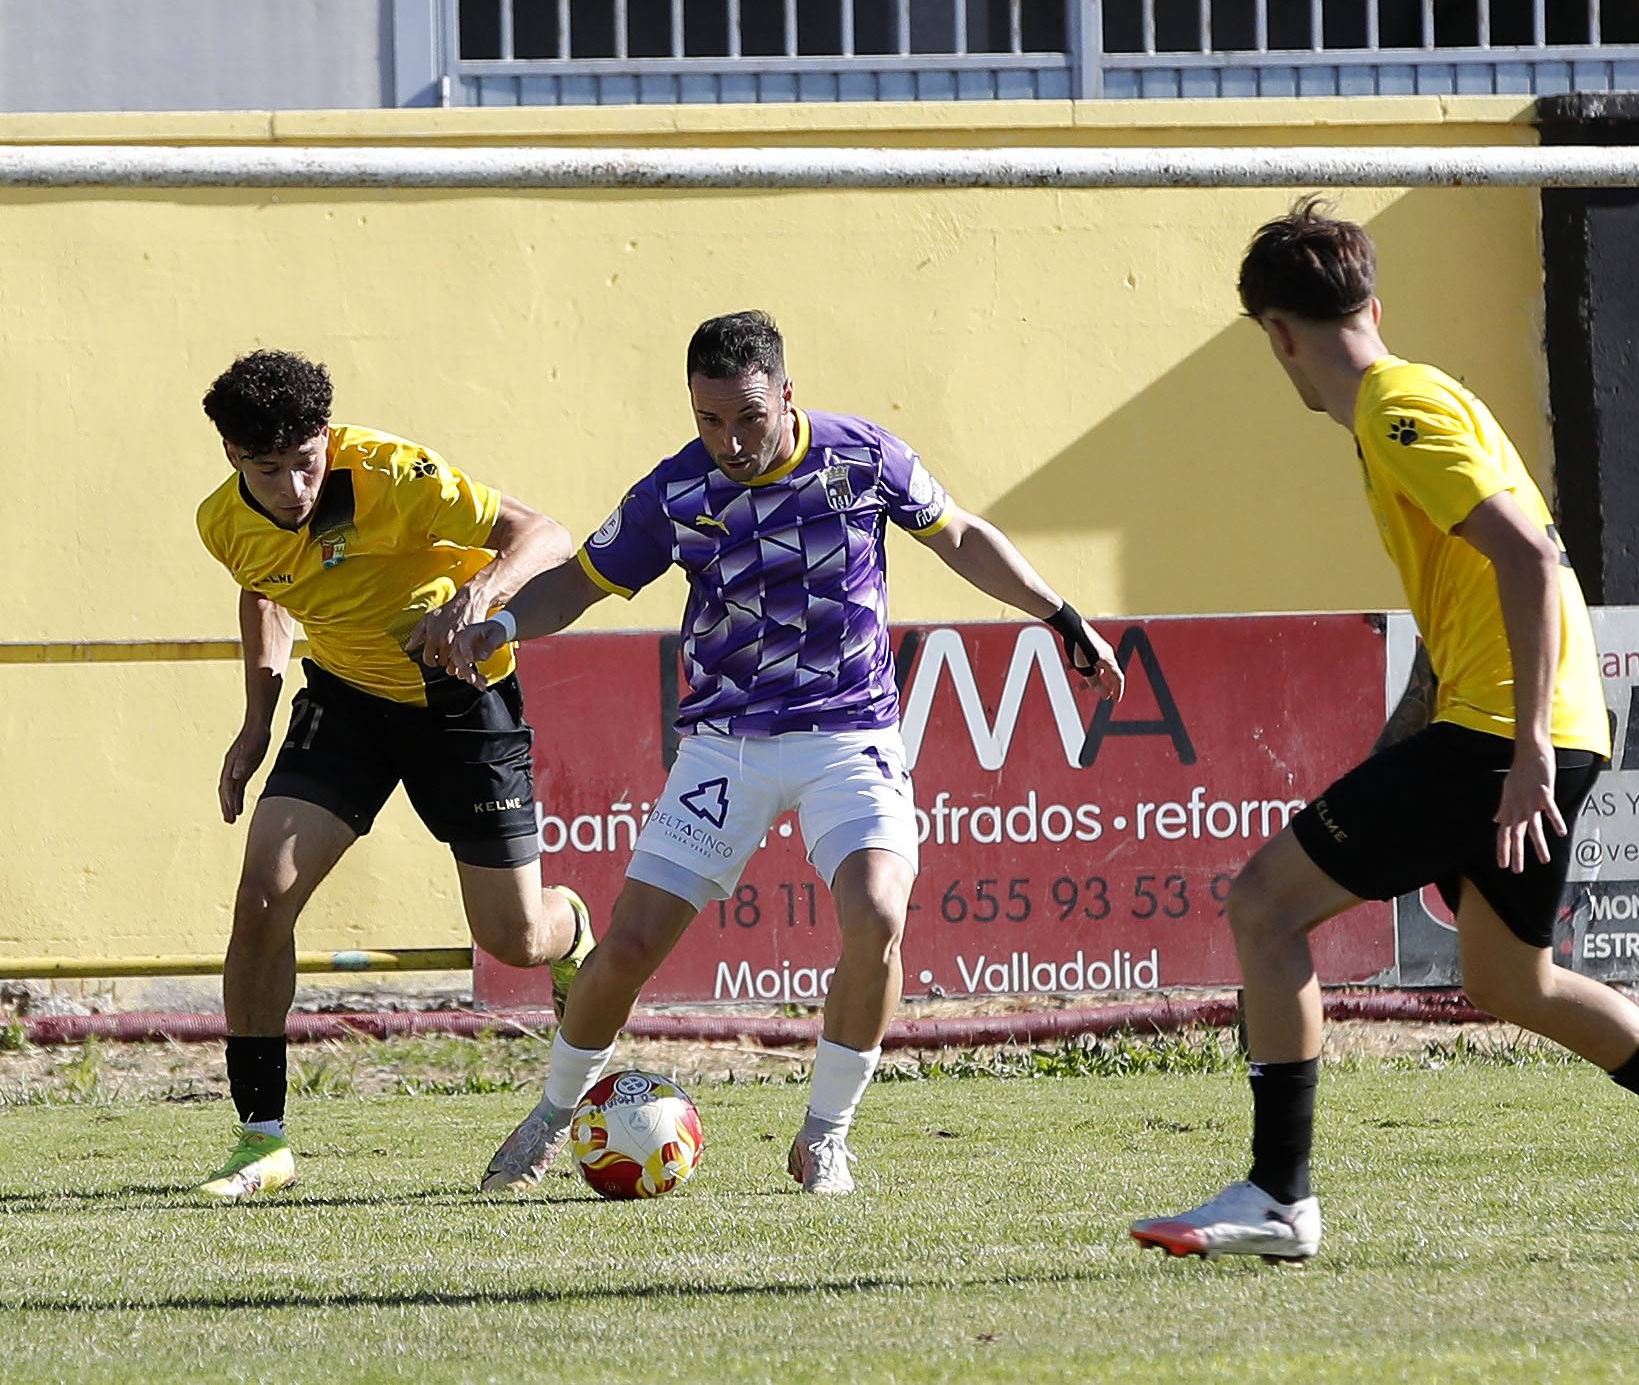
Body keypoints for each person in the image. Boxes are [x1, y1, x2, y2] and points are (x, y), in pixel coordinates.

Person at [1129, 199, 1639, 1261]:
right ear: (1374, 306)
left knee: (1261, 907)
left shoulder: (1395, 412)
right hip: (1540, 726)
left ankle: (1278, 1196)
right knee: (1508, 979)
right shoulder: (1421, 398)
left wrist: (1520, 750)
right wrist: (1419, 735)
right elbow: (1475, 587)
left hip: (1505, 737)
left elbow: (1529, 557)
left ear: (1278, 335)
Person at [450, 310, 1123, 1194]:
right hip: (727, 745)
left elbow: (957, 533)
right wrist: (501, 623)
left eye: (748, 418)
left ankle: (825, 1137)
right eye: (709, 420)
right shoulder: (675, 491)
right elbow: (581, 582)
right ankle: (551, 1115)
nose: (729, 441)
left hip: (850, 736)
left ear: (787, 395)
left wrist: (1059, 614)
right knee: (629, 945)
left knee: (878, 916)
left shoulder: (861, 455)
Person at [192, 349, 596, 1201]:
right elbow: (264, 591)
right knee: (261, 900)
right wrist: (256, 721)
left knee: (513, 939)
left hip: (460, 700)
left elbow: (545, 535)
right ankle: (261, 1141)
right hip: (344, 703)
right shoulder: (220, 521)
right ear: (234, 457)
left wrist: (474, 599)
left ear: (326, 439)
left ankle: (574, 930)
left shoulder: (393, 474)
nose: (297, 488)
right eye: (271, 470)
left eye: (308, 462)